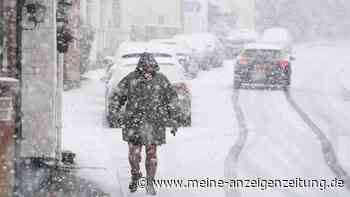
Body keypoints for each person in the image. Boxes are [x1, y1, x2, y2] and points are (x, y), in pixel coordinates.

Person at [109, 52, 180, 195]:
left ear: (154, 67)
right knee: (133, 155)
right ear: (140, 66)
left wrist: (174, 119)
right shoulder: (131, 79)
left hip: (154, 124)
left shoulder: (161, 80)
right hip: (133, 123)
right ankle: (135, 174)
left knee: (151, 155)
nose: (147, 69)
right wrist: (115, 112)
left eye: (150, 66)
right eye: (145, 66)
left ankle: (150, 183)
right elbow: (117, 96)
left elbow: (172, 99)